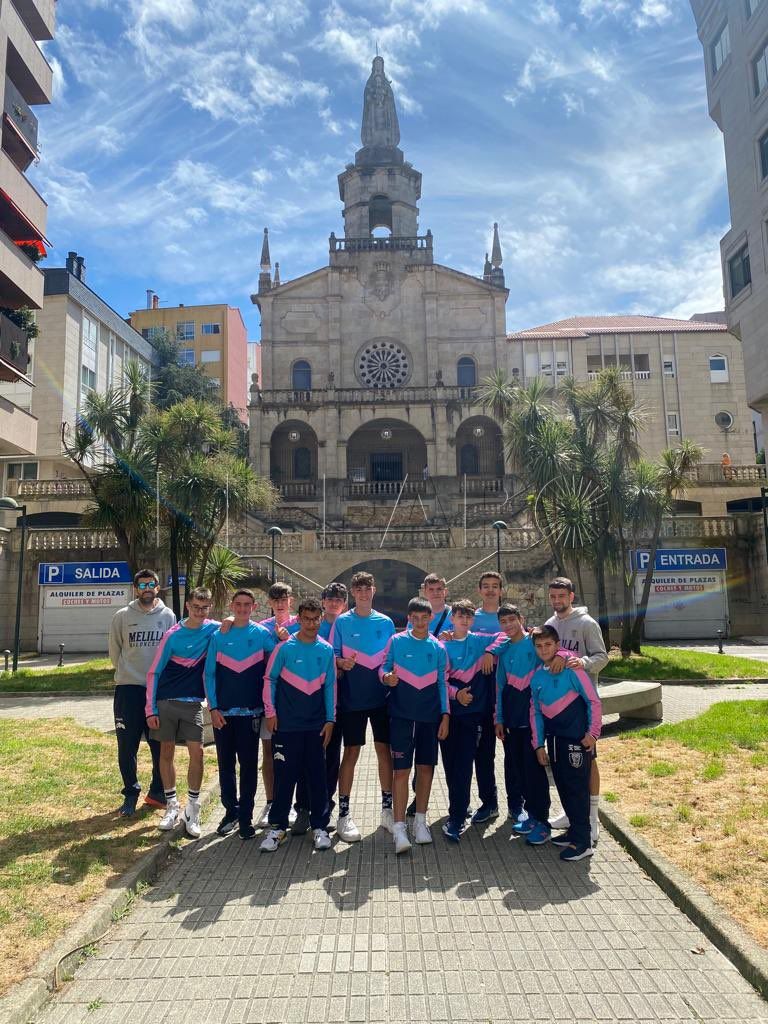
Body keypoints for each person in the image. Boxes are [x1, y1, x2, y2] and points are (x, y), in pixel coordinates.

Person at [260, 597, 336, 853]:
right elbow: (269, 680)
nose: (312, 623)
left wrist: (330, 719)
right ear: (299, 619)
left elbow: (330, 688)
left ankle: (320, 827)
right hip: (287, 725)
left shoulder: (326, 650)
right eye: (307, 619)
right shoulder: (284, 648)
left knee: (317, 777)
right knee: (285, 777)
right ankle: (278, 828)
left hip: (316, 725)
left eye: (316, 619)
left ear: (321, 619)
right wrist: (270, 712)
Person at [145, 587, 219, 839]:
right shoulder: (172, 635)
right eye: (196, 606)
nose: (200, 611)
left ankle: (193, 808)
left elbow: (235, 623)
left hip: (193, 704)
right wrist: (150, 708)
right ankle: (171, 805)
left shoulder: (213, 628)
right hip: (165, 702)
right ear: (187, 606)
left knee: (197, 753)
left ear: (210, 607)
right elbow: (154, 672)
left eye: (205, 607)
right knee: (166, 753)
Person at [204, 589, 275, 840]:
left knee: (248, 767)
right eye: (238, 605)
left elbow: (281, 652)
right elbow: (209, 674)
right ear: (232, 607)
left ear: (254, 607)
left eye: (247, 605)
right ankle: (230, 813)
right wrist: (212, 708)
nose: (243, 608)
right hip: (222, 713)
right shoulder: (218, 635)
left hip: (251, 713)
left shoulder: (261, 634)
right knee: (225, 766)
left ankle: (245, 818)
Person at [330, 571, 396, 842]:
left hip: (381, 699)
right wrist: (341, 663)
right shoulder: (342, 622)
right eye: (358, 588)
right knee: (352, 753)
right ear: (352, 593)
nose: (363, 592)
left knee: (384, 752)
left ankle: (387, 810)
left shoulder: (387, 622)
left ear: (374, 590)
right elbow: (331, 655)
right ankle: (344, 814)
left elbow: (392, 658)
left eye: (367, 588)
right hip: (352, 700)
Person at [381, 597, 449, 853]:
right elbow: (384, 667)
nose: (420, 622)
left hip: (429, 717)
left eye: (424, 617)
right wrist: (386, 677)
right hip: (401, 716)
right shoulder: (397, 642)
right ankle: (399, 828)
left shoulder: (438, 647)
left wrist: (445, 715)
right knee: (401, 771)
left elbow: (443, 683)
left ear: (431, 618)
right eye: (415, 618)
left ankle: (421, 821)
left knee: (426, 769)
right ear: (409, 619)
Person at [529, 625, 602, 862]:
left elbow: (593, 701)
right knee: (562, 785)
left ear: (558, 645)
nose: (543, 649)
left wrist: (593, 732)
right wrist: (538, 744)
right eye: (539, 646)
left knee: (577, 788)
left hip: (577, 740)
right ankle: (574, 832)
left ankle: (583, 842)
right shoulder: (537, 676)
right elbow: (536, 714)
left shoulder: (572, 669)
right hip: (554, 741)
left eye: (548, 645)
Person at [546, 577, 608, 844]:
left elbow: (602, 657)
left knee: (588, 761)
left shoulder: (586, 623)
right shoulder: (550, 625)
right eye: (553, 596)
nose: (558, 601)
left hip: (582, 705)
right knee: (563, 764)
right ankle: (572, 814)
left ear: (571, 596)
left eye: (562, 596)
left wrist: (580, 662)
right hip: (557, 708)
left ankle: (592, 819)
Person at [109, 569, 176, 816]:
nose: (147, 588)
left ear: (158, 587)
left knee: (159, 745)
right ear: (135, 588)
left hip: (157, 691)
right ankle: (130, 793)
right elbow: (115, 651)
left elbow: (171, 651)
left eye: (151, 584)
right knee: (127, 746)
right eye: (142, 584)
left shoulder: (168, 616)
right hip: (128, 690)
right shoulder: (122, 616)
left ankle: (157, 792)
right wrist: (128, 674)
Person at [494, 605, 555, 846]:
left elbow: (555, 655)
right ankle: (531, 815)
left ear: (522, 619)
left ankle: (543, 822)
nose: (508, 625)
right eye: (503, 622)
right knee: (518, 768)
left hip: (533, 719)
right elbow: (499, 687)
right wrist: (498, 718)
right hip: (511, 721)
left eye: (512, 620)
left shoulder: (535, 642)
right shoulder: (504, 650)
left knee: (535, 771)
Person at [439, 600, 496, 841]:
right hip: (448, 713)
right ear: (452, 618)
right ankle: (459, 806)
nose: (464, 620)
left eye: (468, 616)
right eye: (460, 615)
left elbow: (509, 635)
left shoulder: (480, 640)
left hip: (473, 716)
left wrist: (489, 651)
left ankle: (457, 816)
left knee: (464, 764)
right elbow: (439, 679)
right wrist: (456, 694)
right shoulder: (442, 646)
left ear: (473, 620)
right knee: (451, 764)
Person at [256, 582, 299, 827]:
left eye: (284, 599)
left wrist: (287, 641)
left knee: (295, 755)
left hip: (295, 699)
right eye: (275, 600)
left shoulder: (300, 625)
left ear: (290, 601)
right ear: (270, 603)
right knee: (270, 754)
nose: (280, 604)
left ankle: (293, 804)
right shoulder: (262, 628)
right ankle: (271, 802)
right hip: (269, 700)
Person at [470, 571, 505, 823]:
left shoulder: (508, 616)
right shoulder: (471, 617)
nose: (491, 590)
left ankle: (519, 803)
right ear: (479, 590)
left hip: (508, 692)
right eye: (486, 586)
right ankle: (489, 801)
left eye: (495, 586)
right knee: (483, 752)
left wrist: (492, 650)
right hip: (479, 692)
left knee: (514, 753)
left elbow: (519, 637)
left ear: (501, 590)